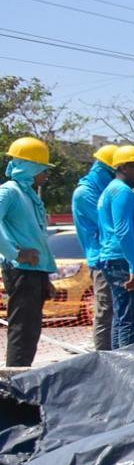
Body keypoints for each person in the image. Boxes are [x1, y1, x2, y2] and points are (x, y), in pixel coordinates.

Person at [0, 138, 56, 367]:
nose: (46, 175)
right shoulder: (10, 192)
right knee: (22, 331)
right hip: (21, 271)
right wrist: (15, 253)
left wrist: (45, 276)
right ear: (30, 168)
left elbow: (36, 237)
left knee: (30, 331)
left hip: (33, 272)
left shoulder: (28, 196)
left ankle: (21, 376)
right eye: (43, 169)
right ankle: (15, 382)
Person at [97, 145, 134, 349]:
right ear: (123, 167)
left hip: (117, 259)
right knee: (131, 321)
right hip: (123, 261)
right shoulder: (122, 191)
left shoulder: (111, 190)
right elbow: (122, 230)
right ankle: (129, 364)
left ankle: (117, 361)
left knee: (122, 319)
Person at [73, 144, 119, 350]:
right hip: (101, 260)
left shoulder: (106, 191)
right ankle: (103, 357)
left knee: (120, 312)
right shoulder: (85, 193)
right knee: (105, 312)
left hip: (116, 258)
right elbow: (108, 222)